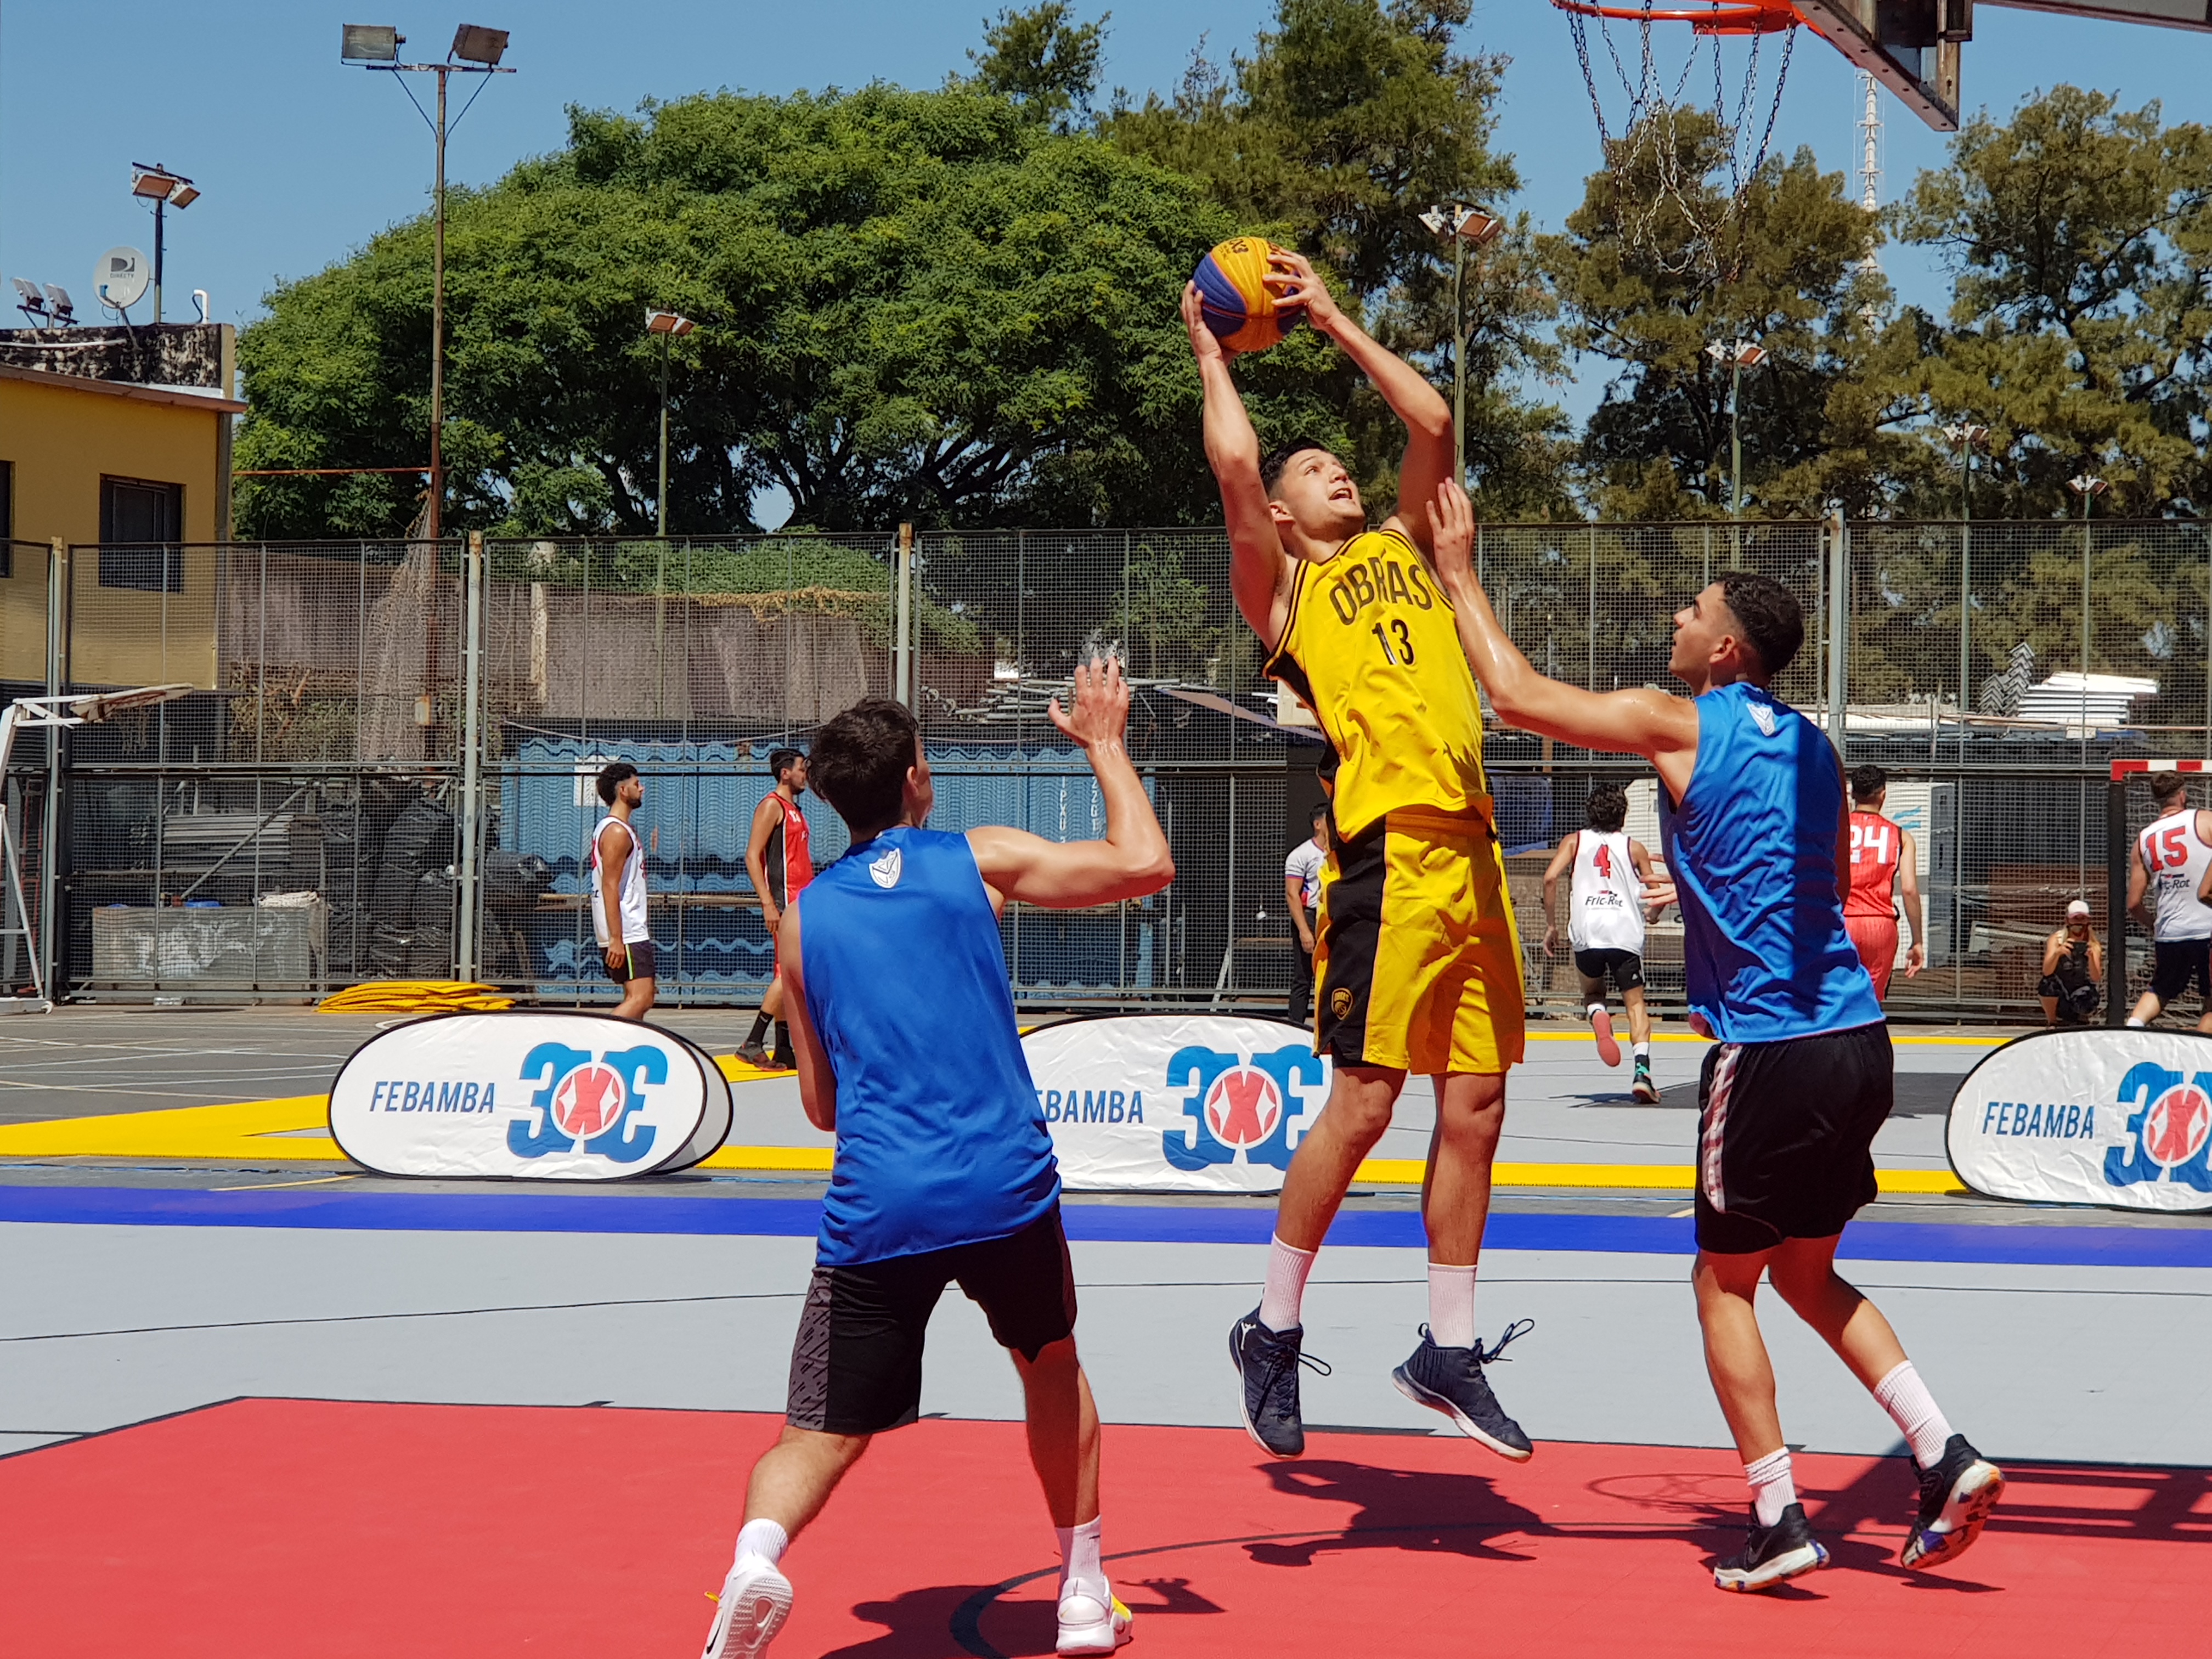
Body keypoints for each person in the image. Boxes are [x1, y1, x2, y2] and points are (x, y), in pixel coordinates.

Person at [1425, 473, 2001, 1593]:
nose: (1677, 622)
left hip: (1773, 1046)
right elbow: (1812, 880)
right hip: (1858, 1036)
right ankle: (1944, 1451)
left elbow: (1516, 695)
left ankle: (1781, 1515)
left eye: (1695, 612)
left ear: (1730, 649)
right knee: (1808, 1274)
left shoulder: (1680, 721)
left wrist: (1458, 570)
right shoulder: (1819, 752)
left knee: (1722, 1285)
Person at [699, 659, 1173, 1659]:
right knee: (1051, 1369)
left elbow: (822, 1105)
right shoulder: (977, 858)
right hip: (1002, 1186)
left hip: (881, 1201)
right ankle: (1082, 1592)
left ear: (831, 801)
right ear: (919, 775)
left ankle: (754, 1555)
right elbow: (1145, 863)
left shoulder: (804, 925)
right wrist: (1102, 742)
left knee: (819, 1429)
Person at [1184, 253, 1532, 1466]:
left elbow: (1431, 419)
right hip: (1386, 857)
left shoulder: (1406, 545)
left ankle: (1447, 1346)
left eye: (1339, 464)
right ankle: (1272, 1326)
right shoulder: (1283, 591)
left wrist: (1332, 314)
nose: (1335, 469)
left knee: (1478, 1105)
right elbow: (1235, 465)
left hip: (1475, 852)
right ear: (1286, 516)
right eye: (1312, 471)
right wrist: (1213, 349)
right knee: (1368, 1102)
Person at [1541, 783, 1668, 1101]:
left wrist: (1552, 925)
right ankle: (1642, 1072)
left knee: (1593, 991)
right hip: (1623, 930)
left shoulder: (1574, 841)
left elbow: (1550, 877)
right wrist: (1652, 913)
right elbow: (1654, 888)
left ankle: (1598, 1015)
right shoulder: (1634, 848)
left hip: (1588, 930)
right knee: (1636, 1004)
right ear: (1623, 815)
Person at [741, 748, 813, 1068]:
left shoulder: (796, 810)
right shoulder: (772, 806)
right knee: (788, 974)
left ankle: (784, 1047)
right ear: (785, 773)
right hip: (783, 902)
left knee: (787, 974)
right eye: (801, 769)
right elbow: (752, 855)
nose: (805, 774)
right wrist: (768, 903)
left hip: (800, 901)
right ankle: (753, 1040)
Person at [2128, 769, 2212, 1031]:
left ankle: (2132, 1026)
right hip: (2207, 925)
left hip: (2170, 931)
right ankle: (2201, 1057)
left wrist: (2155, 925)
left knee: (2160, 990)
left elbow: (2133, 903)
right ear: (2184, 795)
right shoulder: (2206, 820)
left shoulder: (2143, 838)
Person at [1843, 766, 1925, 1001]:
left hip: (1842, 920)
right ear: (1883, 795)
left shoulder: (1837, 830)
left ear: (1852, 794)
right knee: (1871, 1002)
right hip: (1880, 923)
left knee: (1836, 996)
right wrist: (1917, 940)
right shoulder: (1900, 836)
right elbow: (1909, 889)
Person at [590, 761, 655, 1020]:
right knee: (642, 997)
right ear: (622, 791)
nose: (642, 788)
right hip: (626, 930)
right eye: (636, 784)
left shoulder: (617, 828)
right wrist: (616, 938)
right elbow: (610, 886)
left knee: (636, 997)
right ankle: (598, 1044)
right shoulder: (616, 830)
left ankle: (622, 1052)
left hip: (627, 928)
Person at [1283, 804, 1329, 1027]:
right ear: (1318, 824)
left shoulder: (1339, 853)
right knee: (1303, 977)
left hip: (1332, 916)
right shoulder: (1301, 855)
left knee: (1330, 976)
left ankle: (1327, 1027)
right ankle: (1295, 1026)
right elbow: (1293, 894)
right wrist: (1304, 930)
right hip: (1310, 916)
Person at [2039, 900, 2104, 1028]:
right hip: (2060, 991)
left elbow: (2096, 977)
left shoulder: (2093, 944)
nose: (2079, 923)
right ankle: (2052, 1021)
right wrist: (2057, 953)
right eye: (2075, 919)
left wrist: (2091, 957)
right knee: (2047, 984)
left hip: (2080, 992)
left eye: (2083, 919)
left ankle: (2081, 1018)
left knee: (2090, 995)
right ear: (2068, 921)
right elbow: (2046, 971)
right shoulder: (2057, 939)